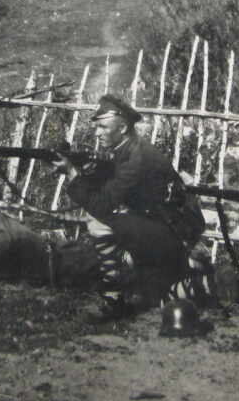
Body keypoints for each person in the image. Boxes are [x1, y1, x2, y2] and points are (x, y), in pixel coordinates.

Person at [54, 94, 207, 320]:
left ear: (123, 127)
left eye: (104, 127)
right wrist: (85, 170)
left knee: (99, 223)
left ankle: (114, 296)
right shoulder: (131, 149)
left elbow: (103, 204)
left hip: (175, 234)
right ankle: (181, 278)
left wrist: (73, 174)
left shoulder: (136, 159)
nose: (97, 133)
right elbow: (113, 182)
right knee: (157, 295)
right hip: (164, 227)